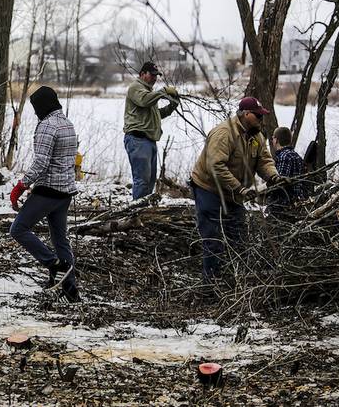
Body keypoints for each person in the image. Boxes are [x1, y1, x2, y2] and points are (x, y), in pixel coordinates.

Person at [189, 97, 286, 281]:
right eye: (257, 115)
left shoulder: (256, 136)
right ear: (245, 114)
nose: (260, 119)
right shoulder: (224, 133)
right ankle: (210, 286)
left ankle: (240, 282)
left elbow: (264, 160)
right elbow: (215, 166)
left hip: (233, 193)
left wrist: (273, 176)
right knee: (213, 239)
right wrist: (239, 188)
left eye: (261, 115)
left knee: (239, 238)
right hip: (209, 190)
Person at [8, 86, 80, 302]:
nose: (35, 111)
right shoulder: (67, 124)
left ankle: (53, 263)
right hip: (65, 193)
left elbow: (41, 162)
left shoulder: (47, 126)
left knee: (18, 228)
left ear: (42, 106)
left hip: (48, 192)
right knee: (60, 240)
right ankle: (71, 291)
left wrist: (20, 186)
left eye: (35, 107)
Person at [123, 61, 179, 200]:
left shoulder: (149, 92)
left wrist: (172, 106)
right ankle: (137, 213)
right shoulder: (135, 88)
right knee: (142, 181)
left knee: (149, 182)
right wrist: (163, 92)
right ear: (142, 74)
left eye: (156, 76)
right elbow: (144, 101)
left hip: (148, 141)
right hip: (138, 140)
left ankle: (145, 212)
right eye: (152, 75)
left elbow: (155, 115)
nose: (154, 78)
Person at [266, 126, 305, 218]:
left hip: (282, 206)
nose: (272, 141)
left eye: (273, 138)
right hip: (297, 203)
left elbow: (280, 183)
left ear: (276, 140)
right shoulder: (297, 156)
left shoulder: (284, 157)